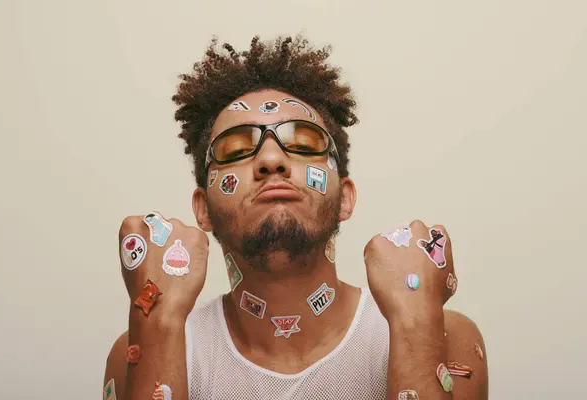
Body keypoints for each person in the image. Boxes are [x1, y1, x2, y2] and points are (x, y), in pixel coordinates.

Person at [103, 36, 488, 400]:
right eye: (236, 149)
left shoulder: (443, 333)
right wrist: (159, 321)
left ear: (345, 198)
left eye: (304, 144)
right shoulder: (141, 346)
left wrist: (414, 325)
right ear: (202, 209)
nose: (271, 160)